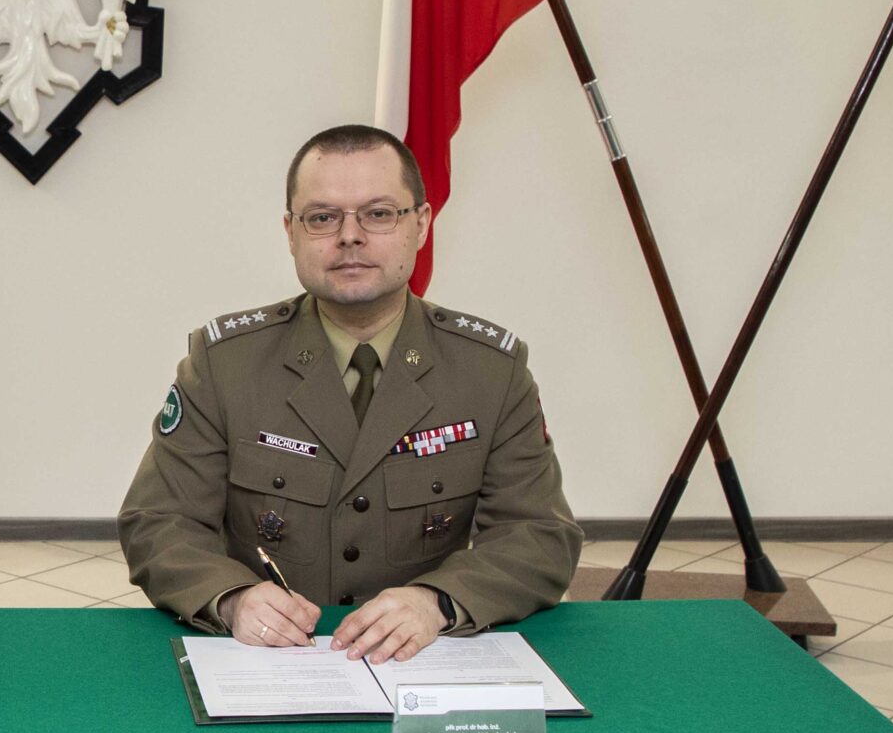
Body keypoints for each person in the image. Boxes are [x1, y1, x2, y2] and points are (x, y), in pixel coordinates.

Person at [119, 124, 580, 661]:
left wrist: (439, 602)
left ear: (421, 225)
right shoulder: (225, 364)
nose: (350, 236)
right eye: (322, 217)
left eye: (379, 214)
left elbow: (539, 534)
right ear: (291, 233)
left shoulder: (489, 371)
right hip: (271, 657)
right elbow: (159, 522)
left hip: (425, 656)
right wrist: (232, 598)